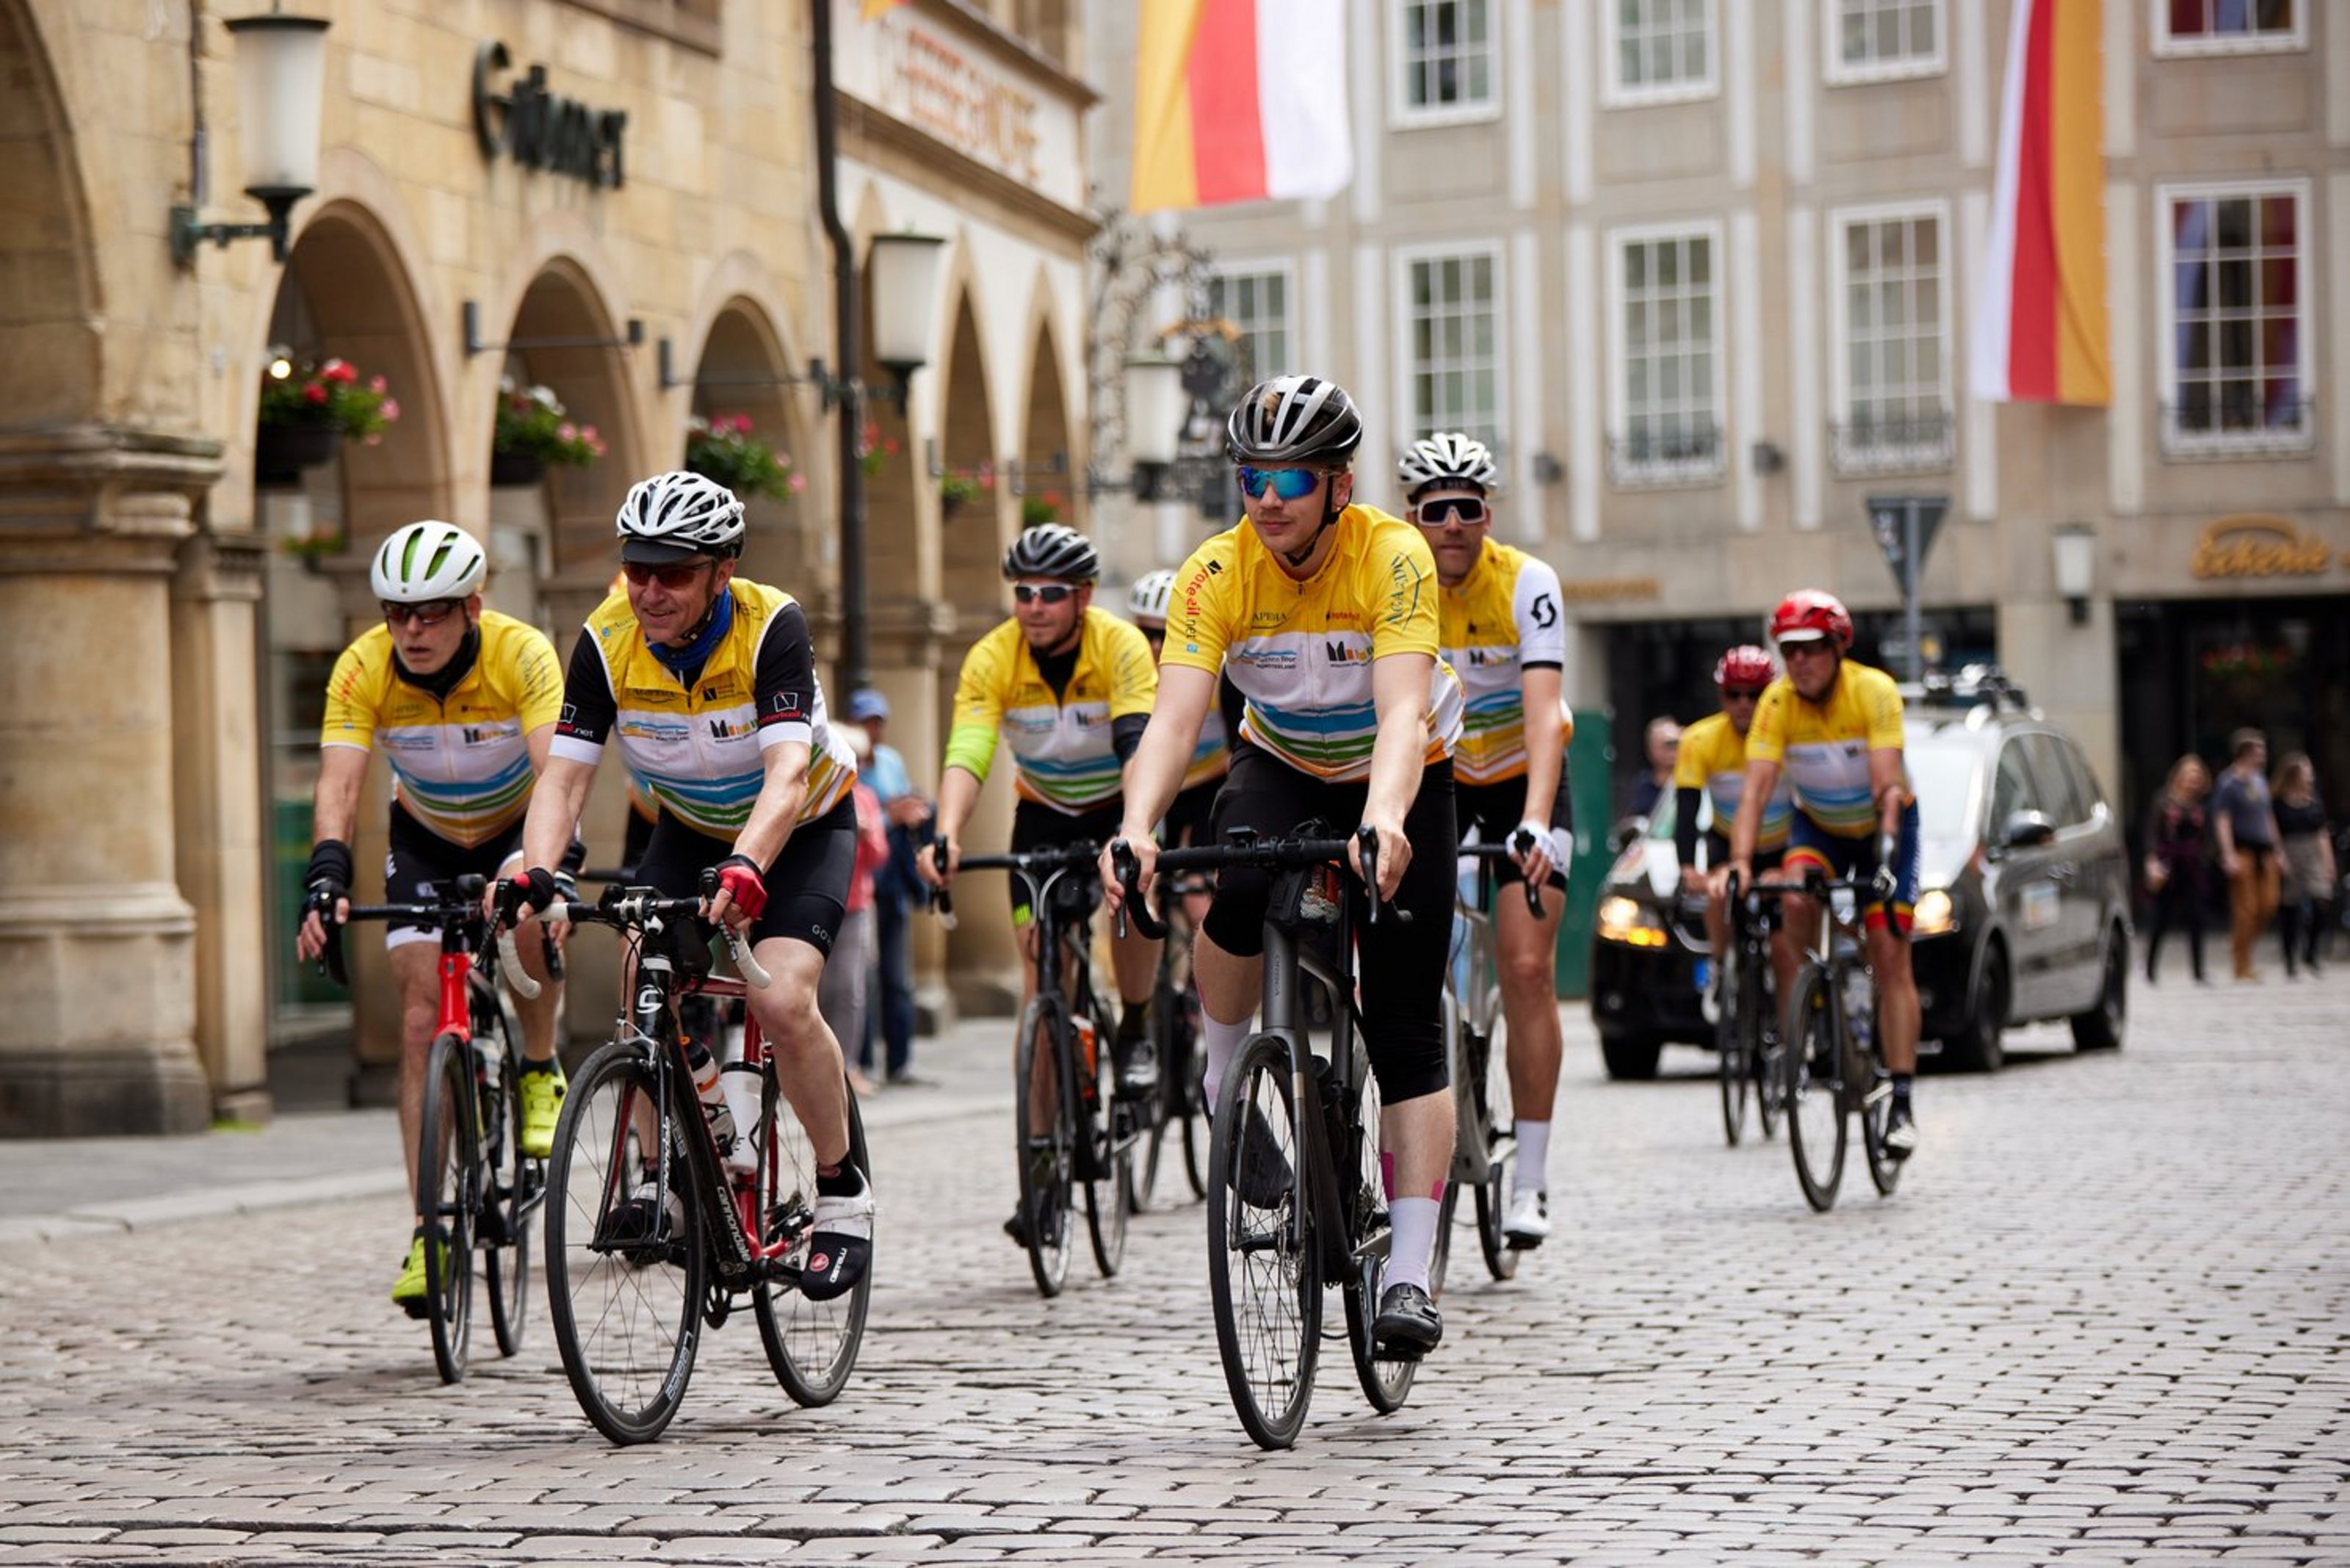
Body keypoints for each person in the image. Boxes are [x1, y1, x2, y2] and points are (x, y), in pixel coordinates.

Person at [1101, 374, 1465, 1358]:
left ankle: (1411, 1269)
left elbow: (1402, 711)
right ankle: (1227, 1082)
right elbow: (1177, 719)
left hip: (1405, 769)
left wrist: (1386, 819)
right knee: (1237, 881)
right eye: (1252, 475)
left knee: (1400, 1020)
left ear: (1338, 485)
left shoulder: (1393, 557)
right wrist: (1135, 823)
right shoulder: (1216, 573)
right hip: (1288, 759)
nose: (1268, 496)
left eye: (1291, 476)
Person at [496, 470, 872, 1301]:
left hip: (801, 825)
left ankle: (841, 1189)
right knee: (641, 981)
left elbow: (783, 773)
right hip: (690, 826)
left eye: (673, 572)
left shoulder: (771, 624)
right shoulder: (604, 638)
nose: (651, 590)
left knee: (779, 998)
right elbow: (562, 781)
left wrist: (748, 865)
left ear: (720, 570)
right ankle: (672, 1164)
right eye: (638, 570)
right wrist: (535, 872)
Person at [294, 520, 568, 1317]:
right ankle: (429, 1229)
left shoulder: (521, 653)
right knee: (420, 1016)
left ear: (472, 607)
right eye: (396, 612)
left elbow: (558, 770)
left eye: (432, 612)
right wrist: (326, 872)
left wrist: (537, 867)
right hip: (426, 837)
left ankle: (538, 1063)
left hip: (522, 822)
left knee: (529, 925)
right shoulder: (363, 666)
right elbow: (340, 783)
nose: (411, 629)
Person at [1397, 430, 1572, 1250]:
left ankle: (1529, 1178)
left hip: (1514, 780)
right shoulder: (1398, 582)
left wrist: (1535, 817)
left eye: (1469, 508)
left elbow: (1545, 714)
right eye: (1437, 510)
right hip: (1435, 775)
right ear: (1413, 516)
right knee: (1399, 965)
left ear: (1488, 514)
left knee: (1528, 966)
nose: (1454, 523)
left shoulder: (1526, 582)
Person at [921, 524, 1162, 1103]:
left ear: (1084, 595)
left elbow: (1138, 745)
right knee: (1040, 977)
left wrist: (1133, 829)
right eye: (1023, 592)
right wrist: (946, 833)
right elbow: (968, 753)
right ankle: (1040, 1163)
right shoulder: (992, 655)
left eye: (1051, 593)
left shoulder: (1120, 645)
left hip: (1115, 804)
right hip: (1044, 814)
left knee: (1133, 899)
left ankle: (1134, 1026)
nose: (1034, 606)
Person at [1725, 589, 1923, 1159]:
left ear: (1838, 647)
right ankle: (1805, 1022)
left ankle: (1903, 1099)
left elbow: (1888, 785)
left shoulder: (1874, 691)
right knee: (1792, 900)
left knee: (1889, 950)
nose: (1800, 662)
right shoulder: (1776, 702)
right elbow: (1756, 793)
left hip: (1885, 828)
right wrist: (1739, 863)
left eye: (1812, 649)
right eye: (1789, 651)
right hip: (1821, 829)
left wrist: (1884, 858)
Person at [1127, 568, 1245, 930]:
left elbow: (1237, 744)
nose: (1155, 647)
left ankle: (1199, 978)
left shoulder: (1215, 674)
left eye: (1164, 634)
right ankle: (1159, 977)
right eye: (1144, 635)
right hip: (1162, 787)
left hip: (1209, 785)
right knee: (1143, 885)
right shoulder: (1129, 676)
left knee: (1197, 895)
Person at [1681, 644, 1793, 991]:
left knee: (1783, 942)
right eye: (1734, 694)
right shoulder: (1700, 739)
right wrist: (1687, 867)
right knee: (1715, 893)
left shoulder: (1789, 735)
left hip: (1782, 844)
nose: (1744, 703)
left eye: (1755, 694)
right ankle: (1721, 963)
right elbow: (1686, 808)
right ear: (1722, 695)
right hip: (1726, 842)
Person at [846, 687, 929, 1085]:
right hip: (859, 883)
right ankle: (861, 1062)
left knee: (897, 976)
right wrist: (889, 815)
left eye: (878, 721)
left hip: (890, 878)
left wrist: (911, 810)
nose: (873, 729)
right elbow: (854, 814)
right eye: (866, 721)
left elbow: (899, 805)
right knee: (861, 978)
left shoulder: (892, 760)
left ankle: (900, 1061)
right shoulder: (846, 761)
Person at [822, 726, 892, 1096]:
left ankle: (847, 1066)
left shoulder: (865, 799)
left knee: (849, 989)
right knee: (815, 990)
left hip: (855, 907)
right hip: (818, 902)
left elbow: (881, 856)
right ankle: (811, 1067)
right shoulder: (819, 790)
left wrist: (866, 836)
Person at [2210, 729, 2280, 983]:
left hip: (2265, 851)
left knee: (2269, 904)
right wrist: (2228, 853)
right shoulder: (2228, 783)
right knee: (2246, 909)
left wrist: (2278, 849)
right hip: (2243, 851)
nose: (2263, 754)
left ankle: (2239, 944)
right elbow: (2222, 819)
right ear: (2246, 752)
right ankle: (2242, 964)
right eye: (2259, 749)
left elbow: (2268, 816)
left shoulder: (2260, 781)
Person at [2141, 754, 2213, 986]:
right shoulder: (2163, 800)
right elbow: (2152, 833)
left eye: (2197, 776)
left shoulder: (2201, 805)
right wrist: (2151, 862)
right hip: (2168, 864)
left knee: (2197, 917)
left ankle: (2199, 970)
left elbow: (2206, 838)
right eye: (2189, 775)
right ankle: (2150, 969)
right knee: (2161, 918)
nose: (2193, 780)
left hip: (2192, 866)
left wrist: (2207, 857)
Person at [2273, 752, 2335, 978]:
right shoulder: (2278, 803)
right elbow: (2274, 832)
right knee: (2290, 906)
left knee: (2322, 898)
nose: (2310, 774)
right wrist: (2279, 855)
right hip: (2290, 851)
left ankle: (2311, 951)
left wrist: (2328, 862)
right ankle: (2290, 958)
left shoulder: (2314, 801)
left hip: (2313, 854)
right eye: (2305, 770)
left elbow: (2322, 833)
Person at [1627, 717, 1682, 820]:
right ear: (1650, 750)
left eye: (1677, 743)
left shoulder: (1694, 783)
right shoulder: (1642, 786)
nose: (1673, 749)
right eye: (1668, 744)